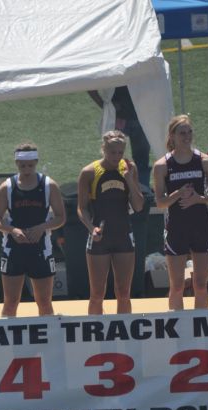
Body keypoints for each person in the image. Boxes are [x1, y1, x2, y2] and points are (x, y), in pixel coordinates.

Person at [152, 115, 208, 310]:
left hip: (201, 227)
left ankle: (201, 329)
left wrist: (198, 199)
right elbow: (161, 203)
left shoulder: (205, 161)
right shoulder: (162, 166)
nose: (187, 136)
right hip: (176, 229)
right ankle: (177, 333)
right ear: (172, 136)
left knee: (200, 285)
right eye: (182, 133)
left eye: (189, 132)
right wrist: (178, 194)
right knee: (177, 285)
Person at [0, 142, 65, 317]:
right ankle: (7, 341)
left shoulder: (49, 185)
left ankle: (49, 340)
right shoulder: (7, 187)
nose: (26, 169)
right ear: (16, 163)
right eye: (23, 165)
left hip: (41, 248)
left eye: (30, 165)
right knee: (10, 303)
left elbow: (61, 217)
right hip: (13, 249)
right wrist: (12, 230)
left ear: (37, 162)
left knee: (44, 302)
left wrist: (42, 227)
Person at [77, 130, 145, 314]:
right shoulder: (89, 172)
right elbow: (81, 208)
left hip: (123, 235)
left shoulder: (129, 168)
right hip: (100, 238)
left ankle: (124, 335)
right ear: (103, 149)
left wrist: (130, 180)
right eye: (112, 152)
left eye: (120, 152)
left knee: (123, 293)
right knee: (97, 293)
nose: (117, 157)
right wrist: (91, 228)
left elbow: (138, 206)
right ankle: (94, 336)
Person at [88, 88, 152, 189]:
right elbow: (90, 86)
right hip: (118, 116)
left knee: (141, 159)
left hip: (140, 116)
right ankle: (113, 188)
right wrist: (104, 105)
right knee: (113, 157)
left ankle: (143, 192)